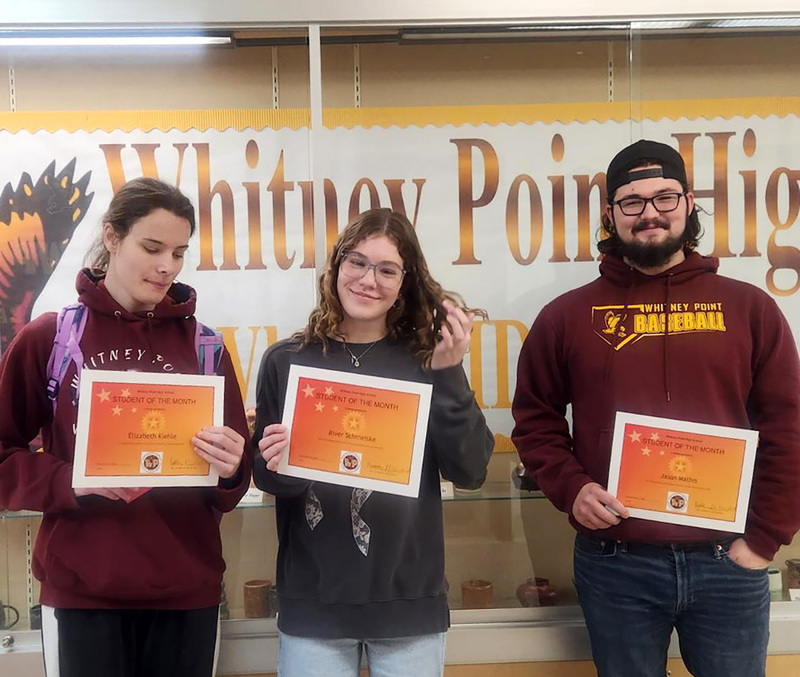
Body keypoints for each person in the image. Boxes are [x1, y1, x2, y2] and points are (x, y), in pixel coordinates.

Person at [511, 140, 800, 677]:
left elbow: (789, 427)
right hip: (615, 563)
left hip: (727, 562)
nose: (650, 213)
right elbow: (535, 419)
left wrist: (763, 540)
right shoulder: (566, 317)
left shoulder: (750, 309)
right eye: (632, 201)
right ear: (610, 214)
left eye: (665, 197)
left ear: (689, 204)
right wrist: (572, 489)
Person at [0, 177, 252, 677]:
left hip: (187, 592)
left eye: (179, 252)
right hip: (82, 593)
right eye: (152, 247)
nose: (167, 266)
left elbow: (229, 484)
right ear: (113, 237)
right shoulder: (52, 338)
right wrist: (73, 479)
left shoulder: (206, 348)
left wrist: (231, 465)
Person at [253, 208, 494, 677]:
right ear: (336, 267)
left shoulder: (427, 360)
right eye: (357, 263)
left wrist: (448, 373)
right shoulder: (286, 361)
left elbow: (471, 471)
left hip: (409, 602)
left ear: (405, 282)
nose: (369, 280)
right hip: (315, 602)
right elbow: (269, 479)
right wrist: (280, 463)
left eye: (387, 270)